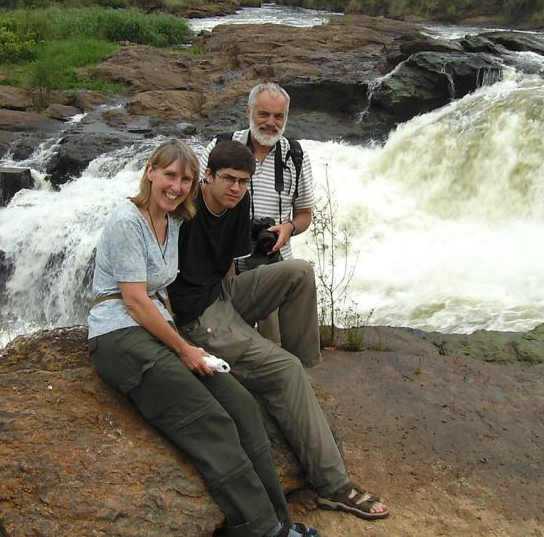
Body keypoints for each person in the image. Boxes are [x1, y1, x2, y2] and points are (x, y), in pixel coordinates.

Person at [87, 138, 319, 537]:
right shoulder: (128, 222)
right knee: (209, 418)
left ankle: (280, 520)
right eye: (170, 175)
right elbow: (137, 303)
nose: (176, 186)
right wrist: (186, 349)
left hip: (159, 329)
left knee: (242, 406)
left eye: (185, 179)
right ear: (151, 172)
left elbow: (206, 257)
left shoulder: (174, 221)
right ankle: (259, 528)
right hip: (119, 336)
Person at [168, 140, 390, 521]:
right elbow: (159, 280)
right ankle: (333, 485)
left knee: (299, 272)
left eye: (243, 181)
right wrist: (180, 340)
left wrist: (238, 309)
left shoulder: (238, 206)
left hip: (223, 294)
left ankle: (300, 375)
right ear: (207, 176)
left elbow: (227, 268)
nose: (235, 188)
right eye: (228, 180)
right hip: (197, 317)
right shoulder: (184, 213)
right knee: (281, 368)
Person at [199, 82, 315, 345]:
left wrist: (289, 228)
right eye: (264, 114)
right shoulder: (222, 146)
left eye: (278, 116)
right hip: (221, 267)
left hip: (272, 263)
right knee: (225, 342)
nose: (270, 122)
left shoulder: (295, 156)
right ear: (248, 111)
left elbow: (305, 213)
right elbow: (197, 202)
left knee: (270, 344)